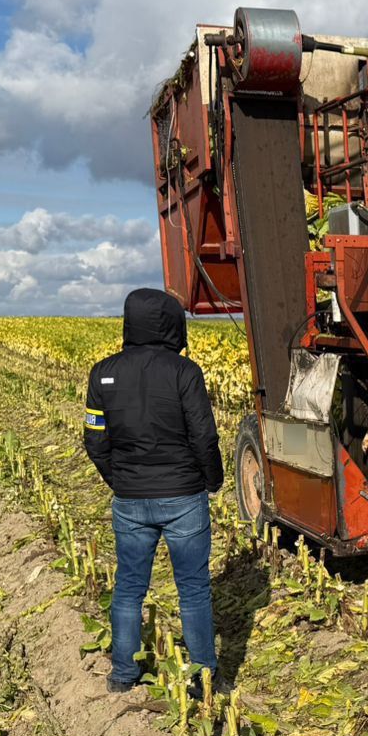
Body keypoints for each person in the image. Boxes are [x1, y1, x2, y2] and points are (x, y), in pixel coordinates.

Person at [84, 288, 224, 694]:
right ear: (171, 323)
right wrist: (211, 479)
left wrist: (120, 479)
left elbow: (95, 440)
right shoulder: (185, 372)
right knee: (193, 588)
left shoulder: (102, 373)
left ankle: (123, 675)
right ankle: (203, 679)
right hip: (183, 498)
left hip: (129, 500)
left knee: (128, 587)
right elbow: (204, 436)